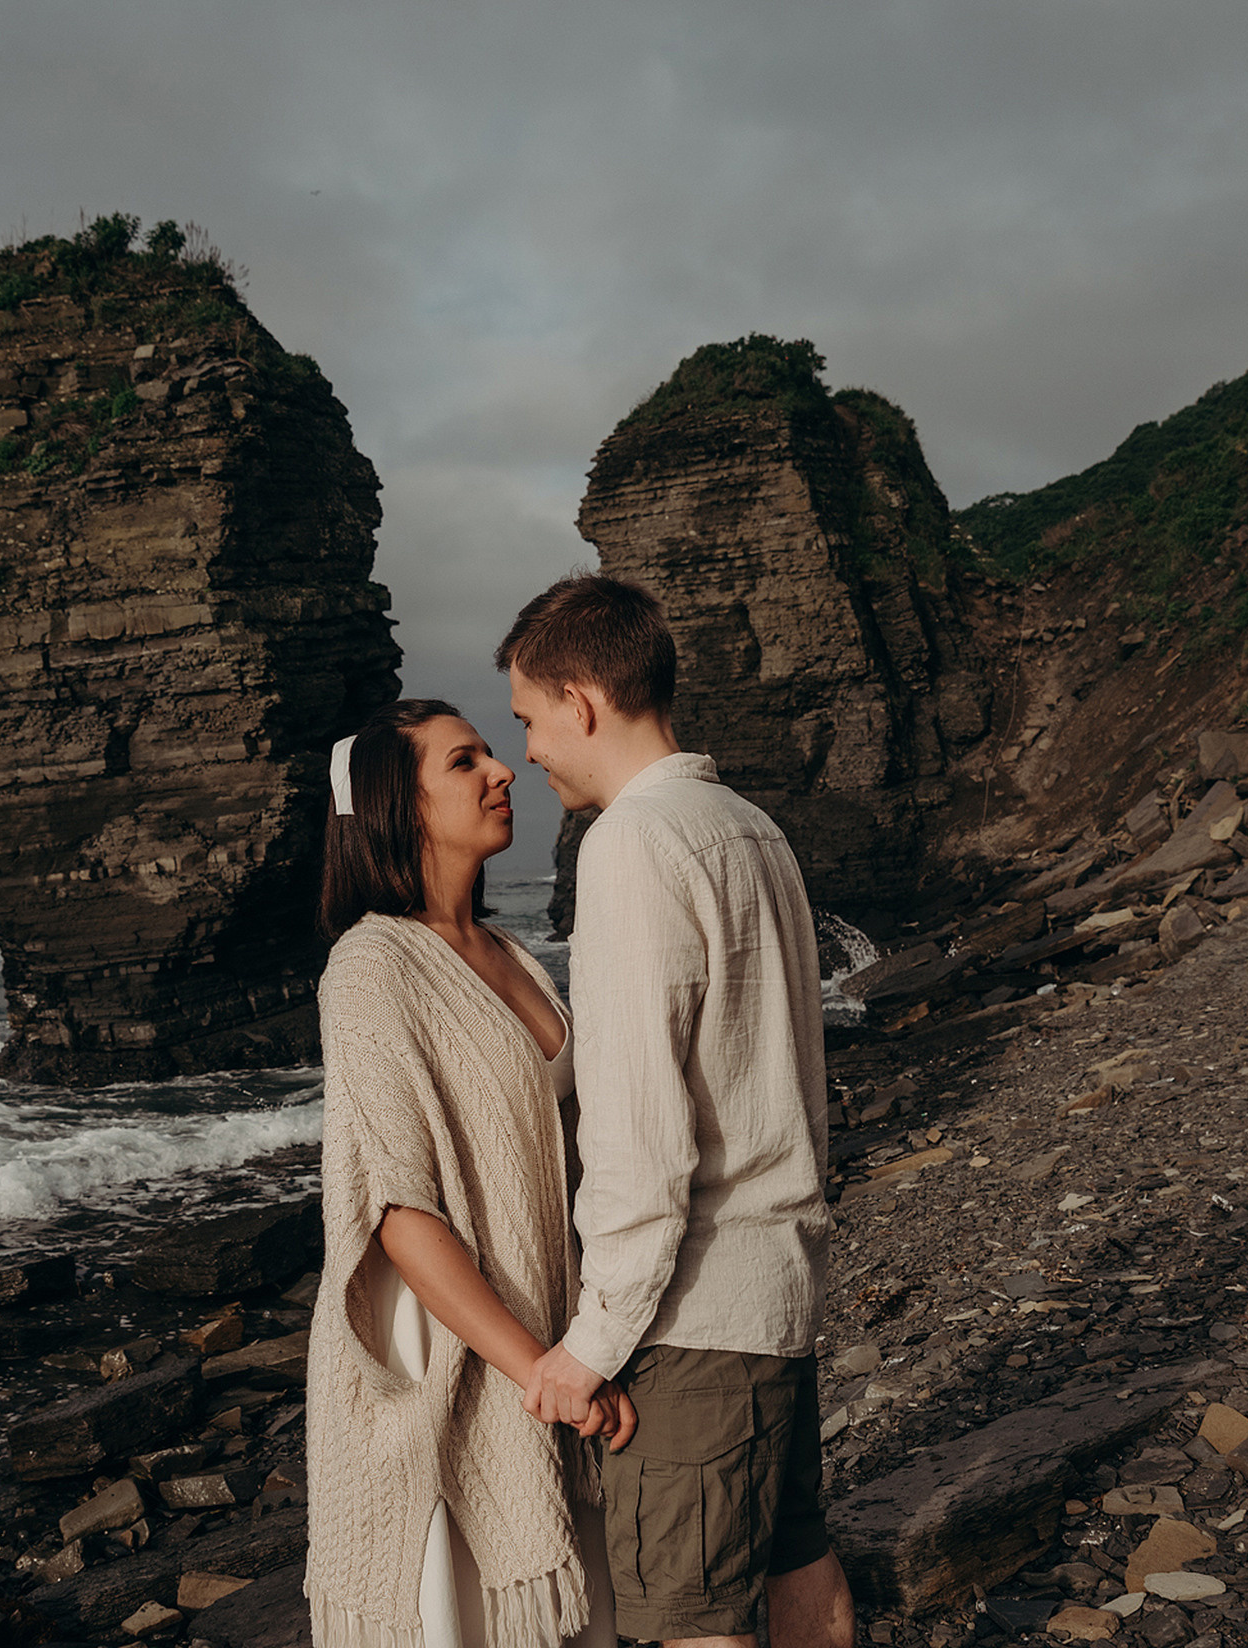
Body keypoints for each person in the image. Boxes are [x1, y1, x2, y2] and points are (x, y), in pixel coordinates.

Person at [496, 576, 856, 1648]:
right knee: (796, 1555)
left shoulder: (630, 844)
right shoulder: (749, 827)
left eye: (527, 719)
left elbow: (642, 1134)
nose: (527, 751)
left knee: (693, 1618)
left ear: (580, 701)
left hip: (693, 1313)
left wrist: (593, 1342)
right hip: (776, 1289)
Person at [304, 697, 624, 1648]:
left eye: (490, 751)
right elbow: (398, 1210)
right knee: (471, 1611)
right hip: (446, 1339)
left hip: (543, 1318)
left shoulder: (510, 952)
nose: (502, 770)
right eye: (463, 761)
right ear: (398, 806)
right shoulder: (370, 965)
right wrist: (539, 1372)